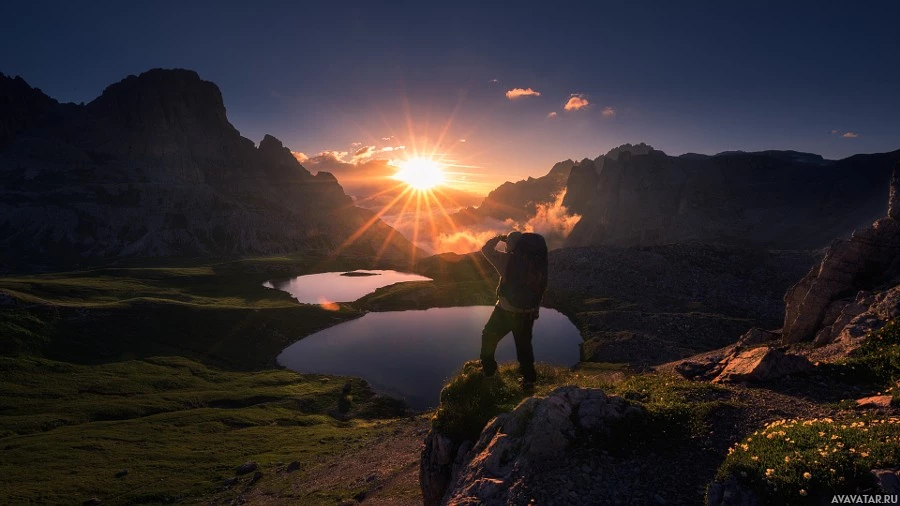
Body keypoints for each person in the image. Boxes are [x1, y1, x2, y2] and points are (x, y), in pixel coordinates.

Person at [479, 231, 548, 390]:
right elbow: (540, 288)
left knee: (489, 336)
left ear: (510, 245)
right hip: (528, 313)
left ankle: (489, 374)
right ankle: (529, 381)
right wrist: (535, 309)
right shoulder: (536, 263)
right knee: (524, 346)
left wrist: (498, 238)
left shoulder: (506, 260)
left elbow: (486, 249)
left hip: (506, 311)